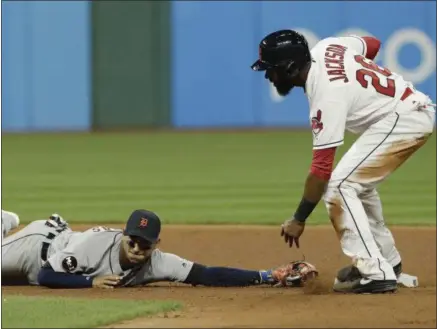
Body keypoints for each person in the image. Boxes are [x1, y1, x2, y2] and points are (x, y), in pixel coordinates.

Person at [251, 30, 434, 294]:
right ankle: (388, 263)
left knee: (339, 187)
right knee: (358, 186)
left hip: (405, 119)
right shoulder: (328, 47)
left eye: (271, 69)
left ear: (290, 67)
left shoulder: (326, 95)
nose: (268, 76)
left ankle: (375, 273)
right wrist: (358, 74)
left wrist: (299, 218)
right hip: (406, 111)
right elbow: (372, 43)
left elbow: (321, 170)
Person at [1, 209, 318, 289]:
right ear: (124, 236)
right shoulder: (93, 245)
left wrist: (266, 275)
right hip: (39, 245)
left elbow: (205, 274)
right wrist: (90, 282)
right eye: (133, 240)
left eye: (146, 243)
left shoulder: (157, 263)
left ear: (156, 245)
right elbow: (45, 275)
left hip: (53, 253)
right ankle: (6, 222)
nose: (138, 248)